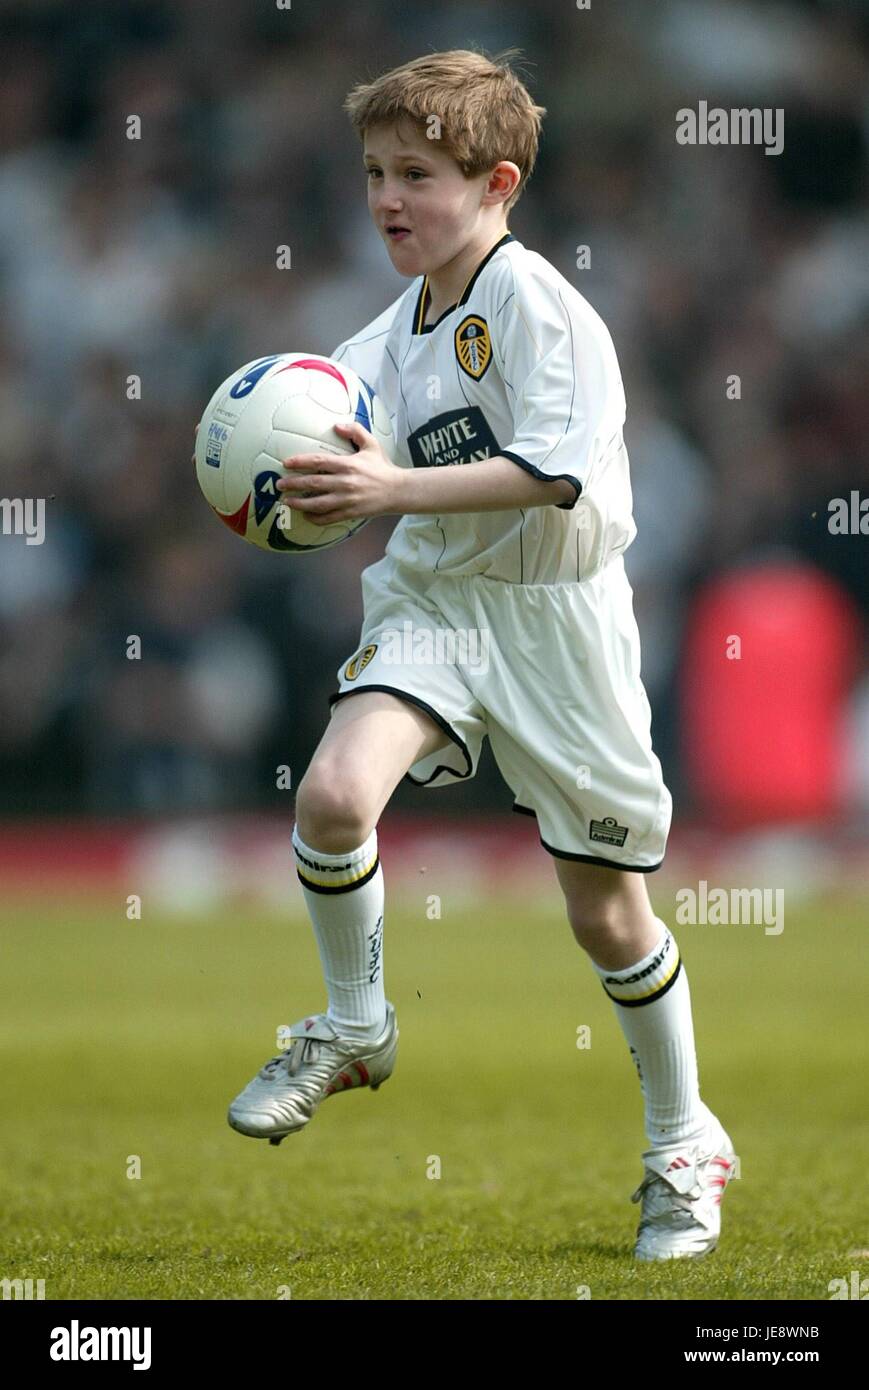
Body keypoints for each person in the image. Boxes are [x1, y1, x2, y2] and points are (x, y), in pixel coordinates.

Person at [227, 48, 735, 1261]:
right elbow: (315, 415)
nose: (387, 198)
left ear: (495, 182)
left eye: (416, 174)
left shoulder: (538, 306)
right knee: (335, 794)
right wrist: (263, 457)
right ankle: (355, 1024)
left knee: (605, 917)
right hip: (441, 596)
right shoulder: (388, 330)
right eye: (371, 174)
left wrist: (386, 482)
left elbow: (552, 471)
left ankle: (682, 1143)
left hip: (561, 622)